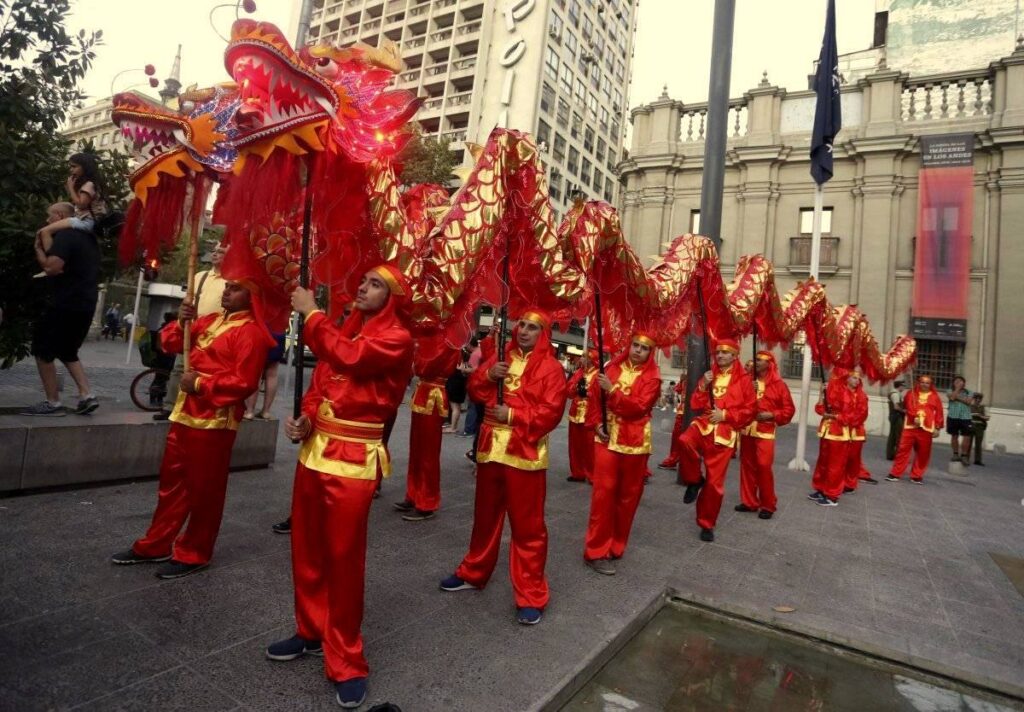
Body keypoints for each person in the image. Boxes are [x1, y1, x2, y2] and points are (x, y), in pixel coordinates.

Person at [265, 266, 413, 709]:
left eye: (374, 284)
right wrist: (306, 419)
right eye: (363, 281)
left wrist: (311, 315)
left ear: (391, 297)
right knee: (306, 548)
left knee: (343, 560)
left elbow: (349, 358)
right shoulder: (347, 327)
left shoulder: (397, 338)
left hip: (354, 460)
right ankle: (310, 630)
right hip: (315, 453)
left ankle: (347, 659)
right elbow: (321, 384)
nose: (362, 288)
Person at [111, 280, 274, 577]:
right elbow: (171, 343)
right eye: (227, 286)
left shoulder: (251, 333)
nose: (226, 291)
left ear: (253, 297)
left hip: (214, 421)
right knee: (171, 485)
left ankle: (195, 552)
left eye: (236, 288)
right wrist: (182, 319)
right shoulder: (211, 320)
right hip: (184, 415)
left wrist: (199, 383)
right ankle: (156, 544)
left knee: (204, 492)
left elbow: (245, 383)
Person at [439, 310, 567, 626]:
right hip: (490, 450)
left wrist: (513, 415)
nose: (523, 331)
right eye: (521, 324)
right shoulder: (500, 358)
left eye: (532, 327)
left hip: (525, 454)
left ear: (544, 334)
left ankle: (530, 594)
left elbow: (551, 413)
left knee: (528, 528)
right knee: (484, 517)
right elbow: (477, 393)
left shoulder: (551, 369)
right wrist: (486, 376)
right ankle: (473, 571)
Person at [583, 334, 661, 575]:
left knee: (628, 496)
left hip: (634, 441)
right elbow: (594, 401)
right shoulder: (611, 368)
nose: (637, 350)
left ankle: (616, 544)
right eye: (635, 345)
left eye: (644, 348)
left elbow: (639, 408)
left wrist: (613, 391)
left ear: (650, 353)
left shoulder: (653, 379)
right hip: (606, 439)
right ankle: (595, 550)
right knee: (603, 493)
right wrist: (596, 423)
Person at [23, 202, 101, 417]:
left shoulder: (66, 237)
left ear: (58, 216)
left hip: (66, 302)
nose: (47, 222)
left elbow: (52, 268)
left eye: (49, 217)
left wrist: (39, 250)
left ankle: (52, 402)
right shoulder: (89, 239)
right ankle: (87, 395)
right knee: (68, 351)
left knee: (42, 348)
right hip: (86, 303)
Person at [678, 338, 756, 542]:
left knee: (714, 485)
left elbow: (750, 411)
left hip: (724, 434)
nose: (720, 355)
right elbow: (695, 402)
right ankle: (694, 480)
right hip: (703, 425)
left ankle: (706, 523)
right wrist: (703, 385)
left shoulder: (744, 380)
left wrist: (726, 416)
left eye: (725, 352)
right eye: (718, 352)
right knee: (684, 440)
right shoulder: (710, 375)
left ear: (735, 355)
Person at [154, 241, 229, 421]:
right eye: (214, 251)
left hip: (216, 334)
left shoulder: (231, 280)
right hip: (193, 331)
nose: (215, 254)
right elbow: (187, 302)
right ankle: (170, 406)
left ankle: (197, 409)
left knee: (206, 373)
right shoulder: (200, 276)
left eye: (220, 251)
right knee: (180, 368)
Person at [394, 336, 462, 521]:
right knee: (416, 451)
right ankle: (413, 494)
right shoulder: (434, 339)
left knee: (428, 455)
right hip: (424, 394)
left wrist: (417, 353)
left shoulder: (448, 341)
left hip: (433, 397)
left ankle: (427, 501)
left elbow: (424, 367)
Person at [736, 351, 794, 520]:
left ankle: (768, 504)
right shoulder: (747, 380)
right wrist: (747, 390)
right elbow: (735, 401)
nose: (756, 362)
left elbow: (788, 410)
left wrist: (772, 415)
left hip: (765, 432)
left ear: (770, 364)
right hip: (747, 429)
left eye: (760, 360)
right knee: (746, 466)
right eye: (755, 359)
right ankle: (749, 502)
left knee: (763, 466)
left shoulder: (779, 385)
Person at [808, 368, 862, 507]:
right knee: (823, 463)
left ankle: (832, 495)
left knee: (835, 466)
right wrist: (821, 394)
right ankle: (820, 489)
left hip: (839, 434)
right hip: (826, 431)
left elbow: (851, 416)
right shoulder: (833, 392)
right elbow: (820, 409)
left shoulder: (848, 395)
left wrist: (834, 416)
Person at [36, 153, 108, 241]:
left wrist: (70, 188)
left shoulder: (88, 184)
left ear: (85, 167)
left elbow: (81, 204)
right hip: (85, 221)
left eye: (74, 167)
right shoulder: (89, 184)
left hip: (86, 222)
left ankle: (52, 255)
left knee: (45, 231)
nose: (71, 170)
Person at [887, 374, 944, 484]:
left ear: (930, 384)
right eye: (922, 382)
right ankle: (895, 473)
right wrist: (914, 417)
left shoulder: (935, 397)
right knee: (902, 450)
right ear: (919, 382)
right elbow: (908, 406)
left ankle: (916, 475)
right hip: (910, 427)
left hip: (926, 428)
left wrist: (937, 427)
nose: (925, 384)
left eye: (927, 383)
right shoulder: (911, 394)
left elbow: (939, 413)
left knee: (923, 453)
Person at [565, 351, 599, 483]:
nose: (582, 359)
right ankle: (577, 473)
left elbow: (601, 395)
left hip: (589, 415)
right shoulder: (578, 373)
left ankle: (592, 475)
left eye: (585, 357)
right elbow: (568, 392)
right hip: (575, 414)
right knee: (575, 445)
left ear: (592, 360)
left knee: (590, 447)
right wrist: (575, 387)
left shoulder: (598, 374)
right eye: (583, 356)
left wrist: (588, 392)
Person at [840, 367, 870, 494]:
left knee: (853, 458)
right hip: (841, 429)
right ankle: (838, 481)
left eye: (858, 379)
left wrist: (850, 422)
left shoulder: (862, 396)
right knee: (841, 457)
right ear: (847, 379)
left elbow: (863, 413)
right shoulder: (840, 392)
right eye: (854, 377)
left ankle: (850, 483)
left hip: (856, 430)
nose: (857, 381)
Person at [243, 329, 285, 419]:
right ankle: (266, 411)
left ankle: (250, 411)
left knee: (256, 371)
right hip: (279, 333)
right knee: (272, 373)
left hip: (261, 332)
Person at [657, 380, 686, 473]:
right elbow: (678, 388)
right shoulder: (685, 379)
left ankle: (675, 460)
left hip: (691, 413)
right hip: (682, 413)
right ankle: (673, 460)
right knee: (676, 438)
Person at [947, 375, 975, 466]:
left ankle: (964, 455)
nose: (958, 383)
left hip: (966, 417)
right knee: (954, 436)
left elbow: (969, 402)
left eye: (960, 381)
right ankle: (955, 454)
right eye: (956, 381)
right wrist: (957, 389)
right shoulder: (949, 391)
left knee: (967, 436)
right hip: (953, 416)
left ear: (964, 383)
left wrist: (957, 397)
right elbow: (952, 397)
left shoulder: (969, 392)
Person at [885, 379, 907, 460]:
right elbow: (896, 407)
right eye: (903, 386)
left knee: (894, 436)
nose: (904, 388)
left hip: (894, 416)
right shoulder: (895, 394)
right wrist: (904, 411)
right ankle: (897, 455)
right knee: (898, 436)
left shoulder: (895, 393)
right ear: (900, 386)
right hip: (896, 416)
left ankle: (891, 454)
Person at [969, 392, 989, 465]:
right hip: (971, 425)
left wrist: (980, 416)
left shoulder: (983, 407)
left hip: (980, 426)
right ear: (974, 399)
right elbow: (967, 415)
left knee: (978, 444)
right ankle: (966, 458)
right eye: (976, 398)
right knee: (968, 443)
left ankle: (978, 460)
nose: (978, 400)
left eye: (979, 398)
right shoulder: (970, 406)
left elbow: (987, 417)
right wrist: (974, 415)